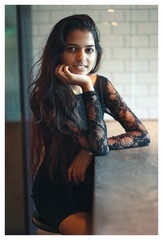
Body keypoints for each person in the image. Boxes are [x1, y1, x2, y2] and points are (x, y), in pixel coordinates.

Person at [28, 14, 150, 235]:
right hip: (58, 192)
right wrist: (86, 86)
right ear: (58, 52)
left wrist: (87, 151)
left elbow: (141, 134)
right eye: (72, 49)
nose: (82, 57)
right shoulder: (44, 96)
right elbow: (98, 144)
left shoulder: (101, 84)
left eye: (89, 49)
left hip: (92, 188)